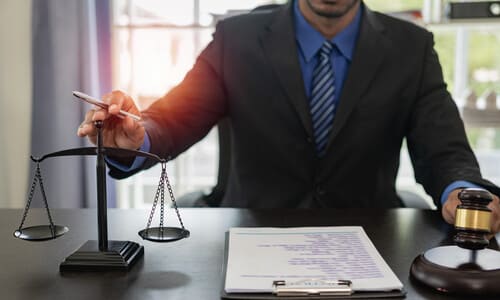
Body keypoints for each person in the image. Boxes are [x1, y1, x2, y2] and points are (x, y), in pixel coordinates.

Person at [78, 0, 500, 233]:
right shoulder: (236, 39)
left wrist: (460, 192)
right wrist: (138, 139)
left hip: (370, 241)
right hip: (253, 235)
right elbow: (174, 118)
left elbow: (443, 150)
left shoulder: (412, 47)